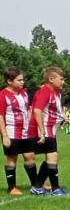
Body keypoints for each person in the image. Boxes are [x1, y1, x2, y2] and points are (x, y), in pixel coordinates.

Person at [28, 66, 67, 195]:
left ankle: (38, 186)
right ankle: (55, 189)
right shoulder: (45, 91)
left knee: (52, 157)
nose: (63, 82)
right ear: (51, 79)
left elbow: (53, 109)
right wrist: (42, 131)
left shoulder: (55, 93)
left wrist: (63, 117)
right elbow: (37, 110)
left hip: (50, 129)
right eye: (61, 79)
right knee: (52, 156)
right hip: (45, 129)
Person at [0, 67, 39, 196]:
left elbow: (28, 109)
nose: (22, 82)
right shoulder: (3, 95)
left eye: (23, 80)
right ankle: (12, 187)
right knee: (12, 158)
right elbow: (0, 115)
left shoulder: (23, 93)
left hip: (26, 131)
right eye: (19, 80)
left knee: (29, 156)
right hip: (11, 131)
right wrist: (4, 135)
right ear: (9, 81)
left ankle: (36, 184)